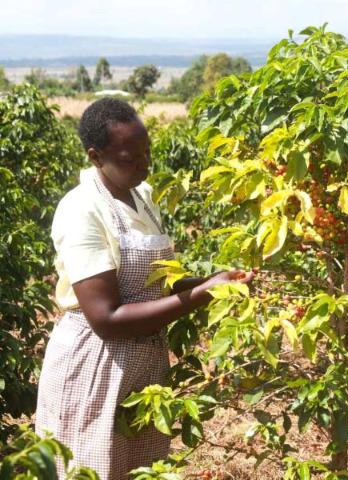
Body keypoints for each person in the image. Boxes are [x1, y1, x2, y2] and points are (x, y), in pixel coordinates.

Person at [35, 98, 253, 479]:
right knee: (91, 467)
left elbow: (156, 284)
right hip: (95, 366)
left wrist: (213, 283)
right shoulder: (81, 209)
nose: (144, 165)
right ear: (95, 156)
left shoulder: (142, 196)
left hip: (142, 367)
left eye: (147, 153)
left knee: (139, 469)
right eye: (130, 158)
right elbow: (107, 318)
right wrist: (199, 296)